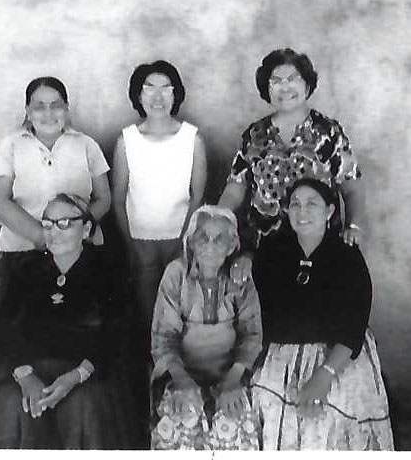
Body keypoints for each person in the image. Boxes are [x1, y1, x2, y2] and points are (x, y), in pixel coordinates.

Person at [0, 194, 139, 449]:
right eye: (48, 223)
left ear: (85, 229)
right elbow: (3, 327)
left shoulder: (108, 269)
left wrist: (75, 377)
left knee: (85, 405)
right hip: (30, 369)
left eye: (64, 223)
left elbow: (116, 332)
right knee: (10, 400)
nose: (53, 231)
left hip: (87, 372)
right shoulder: (26, 268)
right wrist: (25, 375)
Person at [251, 178, 393, 450]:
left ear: (329, 211)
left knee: (332, 418)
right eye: (295, 204)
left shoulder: (346, 256)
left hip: (337, 356)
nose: (302, 212)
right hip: (280, 355)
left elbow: (354, 324)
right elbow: (258, 314)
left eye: (312, 204)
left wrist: (324, 376)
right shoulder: (271, 252)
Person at [0, 77, 111, 353]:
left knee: (79, 333)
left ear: (67, 108)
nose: (48, 112)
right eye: (39, 106)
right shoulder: (12, 145)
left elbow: (104, 199)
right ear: (27, 110)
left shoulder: (86, 144)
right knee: (15, 332)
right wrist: (44, 236)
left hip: (79, 252)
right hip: (20, 251)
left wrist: (74, 234)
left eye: (56, 105)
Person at [218, 48, 364, 280]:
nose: (284, 87)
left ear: (307, 86)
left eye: (293, 79)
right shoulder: (254, 134)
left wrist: (353, 226)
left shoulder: (329, 132)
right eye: (276, 81)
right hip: (261, 249)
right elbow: (236, 188)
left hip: (317, 247)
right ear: (267, 90)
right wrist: (216, 219)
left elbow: (351, 186)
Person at [150, 205, 262, 450]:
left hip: (231, 375)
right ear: (190, 242)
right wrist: (181, 379)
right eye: (203, 237)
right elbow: (163, 337)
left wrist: (232, 380)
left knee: (235, 426)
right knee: (179, 424)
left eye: (219, 239)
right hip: (180, 373)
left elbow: (251, 335)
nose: (210, 245)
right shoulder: (176, 274)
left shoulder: (239, 277)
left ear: (232, 246)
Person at [113, 60, 207, 334]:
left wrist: (183, 244)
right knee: (146, 316)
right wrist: (130, 244)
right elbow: (118, 199)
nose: (158, 97)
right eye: (149, 89)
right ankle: (148, 370)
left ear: (176, 94)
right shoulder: (126, 140)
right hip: (139, 241)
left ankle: (174, 372)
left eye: (166, 88)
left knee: (178, 314)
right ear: (138, 95)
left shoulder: (192, 138)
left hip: (179, 242)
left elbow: (197, 197)